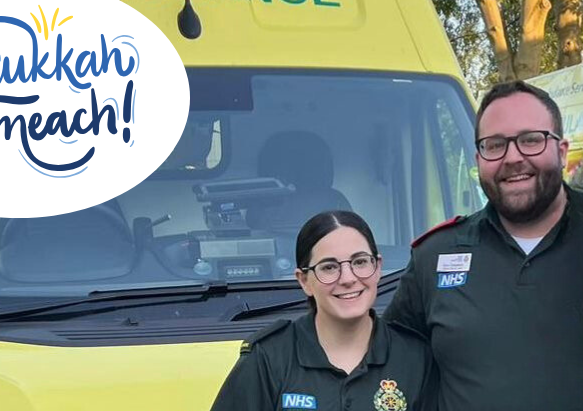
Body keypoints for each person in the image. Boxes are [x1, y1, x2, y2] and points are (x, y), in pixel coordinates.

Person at [384, 80, 583, 410]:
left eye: (531, 140)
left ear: (561, 151)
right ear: (478, 159)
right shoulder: (435, 256)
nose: (513, 157)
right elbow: (384, 362)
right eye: (495, 145)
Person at [211, 210, 435, 411]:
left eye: (359, 262)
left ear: (377, 268)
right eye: (329, 267)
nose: (348, 279)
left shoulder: (416, 357)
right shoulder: (269, 358)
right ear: (304, 281)